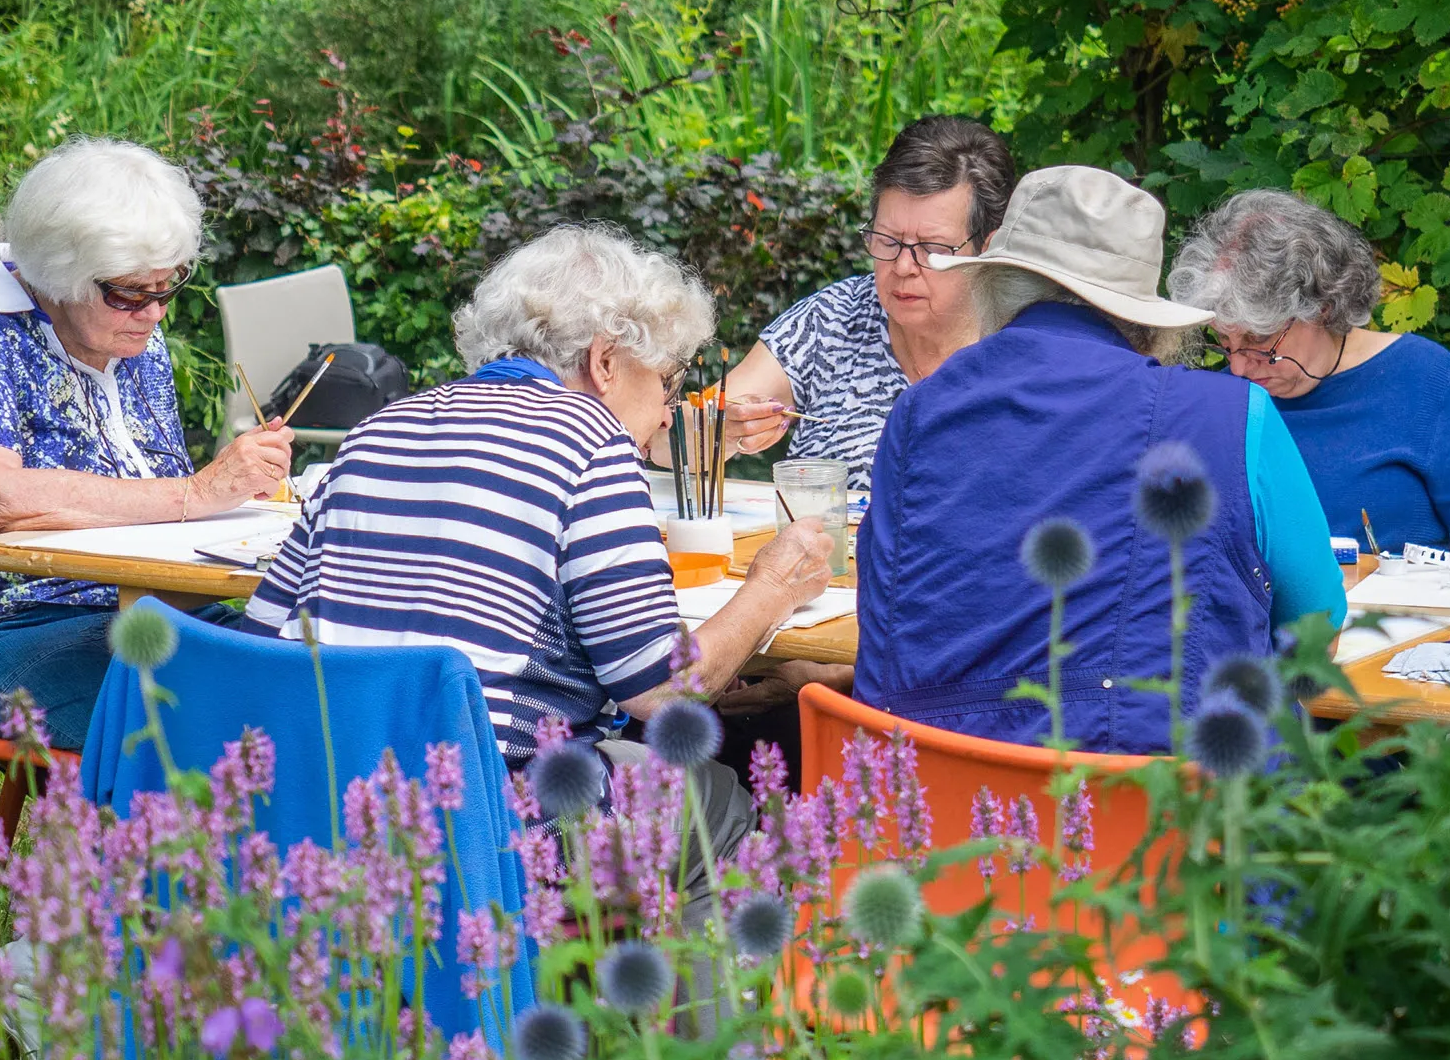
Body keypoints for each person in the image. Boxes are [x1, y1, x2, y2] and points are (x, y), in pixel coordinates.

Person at [243, 224, 836, 845]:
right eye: (666, 381)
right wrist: (772, 587)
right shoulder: (591, 442)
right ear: (605, 361)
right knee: (723, 801)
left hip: (324, 802)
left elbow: (261, 636)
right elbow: (662, 688)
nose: (667, 411)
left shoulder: (379, 428)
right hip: (489, 821)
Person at [854, 167, 1348, 754]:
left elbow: (888, 615)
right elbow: (1316, 625)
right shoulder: (1236, 415)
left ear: (994, 287)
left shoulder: (918, 414)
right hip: (1165, 819)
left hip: (935, 809)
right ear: (1141, 315)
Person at [0, 138, 295, 749]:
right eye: (129, 293)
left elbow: (155, 500)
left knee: (319, 683)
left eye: (167, 290)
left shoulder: (135, 338)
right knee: (207, 732)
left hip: (158, 607)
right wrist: (198, 492)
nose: (154, 314)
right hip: (6, 624)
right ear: (59, 276)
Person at [1168, 189, 1450, 555]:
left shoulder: (1428, 385)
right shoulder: (1224, 403)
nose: (1239, 367)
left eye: (1259, 338)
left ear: (1322, 306)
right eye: (1224, 343)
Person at [712, 115, 1017, 490]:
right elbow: (669, 438)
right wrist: (724, 429)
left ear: (986, 250)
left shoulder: (1025, 340)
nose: (904, 266)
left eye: (932, 249)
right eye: (887, 240)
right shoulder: (835, 318)